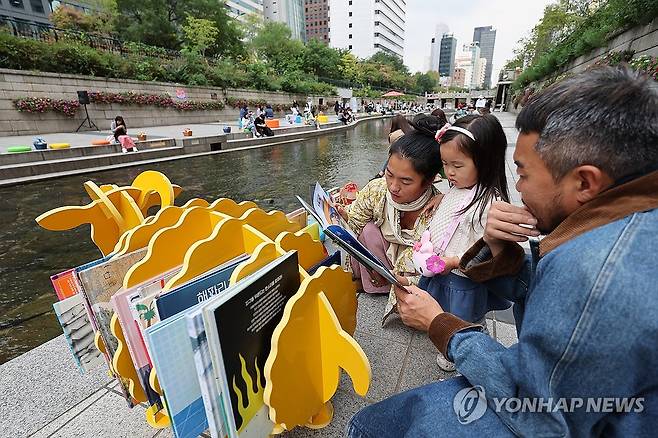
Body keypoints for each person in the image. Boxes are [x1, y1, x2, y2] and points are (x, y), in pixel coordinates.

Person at [347, 66, 658, 437]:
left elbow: (537, 407)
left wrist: (440, 324)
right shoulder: (621, 222)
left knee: (373, 425)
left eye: (524, 173)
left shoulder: (600, 272)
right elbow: (546, 288)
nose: (520, 188)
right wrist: (496, 247)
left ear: (585, 181)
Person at [395, 114, 512, 372]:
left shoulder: (489, 204)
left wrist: (454, 261)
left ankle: (464, 342)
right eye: (445, 164)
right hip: (442, 267)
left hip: (462, 273)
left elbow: (487, 251)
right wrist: (442, 197)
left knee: (463, 312)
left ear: (485, 161)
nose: (449, 172)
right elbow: (454, 200)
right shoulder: (459, 188)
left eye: (457, 166)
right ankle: (449, 334)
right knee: (443, 305)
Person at [337, 129, 443, 294]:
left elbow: (435, 266)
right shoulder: (377, 189)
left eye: (406, 181)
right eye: (389, 174)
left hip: (413, 273)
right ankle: (375, 283)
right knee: (368, 230)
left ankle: (392, 283)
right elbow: (355, 223)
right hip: (381, 261)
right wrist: (342, 220)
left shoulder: (439, 212)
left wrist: (402, 279)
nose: (393, 187)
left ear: (430, 180)